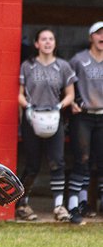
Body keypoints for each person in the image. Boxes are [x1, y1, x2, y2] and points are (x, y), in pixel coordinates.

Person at [16, 28, 76, 222]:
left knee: (57, 161)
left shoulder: (63, 66)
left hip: (54, 117)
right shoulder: (28, 66)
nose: (48, 42)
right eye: (43, 39)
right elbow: (20, 94)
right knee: (32, 164)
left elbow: (70, 94)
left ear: (55, 43)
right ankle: (22, 204)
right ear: (36, 44)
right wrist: (28, 108)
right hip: (33, 118)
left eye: (51, 39)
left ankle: (59, 206)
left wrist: (60, 106)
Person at [67, 21, 103, 224]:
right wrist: (71, 101)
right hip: (83, 115)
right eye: (98, 33)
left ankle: (94, 204)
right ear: (91, 37)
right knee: (82, 160)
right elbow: (65, 84)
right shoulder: (78, 60)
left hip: (102, 115)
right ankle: (74, 206)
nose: (102, 37)